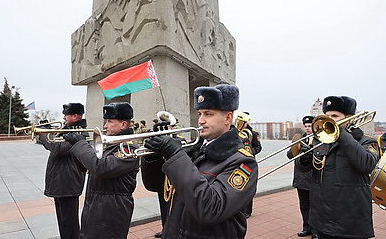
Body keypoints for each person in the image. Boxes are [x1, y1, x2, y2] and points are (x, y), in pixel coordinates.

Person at [142, 84, 258, 238]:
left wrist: (175, 155)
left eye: (208, 114)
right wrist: (154, 156)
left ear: (228, 118)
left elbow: (211, 210)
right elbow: (155, 185)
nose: (201, 121)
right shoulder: (191, 151)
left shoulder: (242, 161)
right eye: (200, 113)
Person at [297, 96, 380, 238]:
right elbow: (305, 169)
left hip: (350, 220)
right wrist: (303, 160)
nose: (330, 119)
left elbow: (367, 164)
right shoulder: (320, 141)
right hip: (321, 219)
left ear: (349, 118)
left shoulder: (367, 141)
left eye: (335, 116)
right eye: (327, 116)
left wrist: (341, 133)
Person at [63, 102, 139, 238]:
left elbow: (101, 168)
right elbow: (88, 167)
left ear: (123, 125)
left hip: (112, 209)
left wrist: (80, 144)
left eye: (110, 121)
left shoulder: (128, 148)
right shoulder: (111, 144)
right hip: (97, 205)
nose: (105, 126)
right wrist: (75, 147)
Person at [38, 103, 87, 239]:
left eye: (66, 114)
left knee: (69, 223)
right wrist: (46, 132)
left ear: (75, 116)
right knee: (63, 221)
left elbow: (58, 149)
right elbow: (51, 145)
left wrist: (43, 133)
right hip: (61, 181)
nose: (63, 117)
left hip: (68, 182)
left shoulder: (79, 131)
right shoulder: (67, 128)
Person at [287, 116, 317, 238]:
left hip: (314, 179)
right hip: (301, 178)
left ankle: (316, 231)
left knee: (315, 207)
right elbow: (289, 155)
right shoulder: (300, 139)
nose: (308, 128)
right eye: (306, 126)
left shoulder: (321, 139)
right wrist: (297, 147)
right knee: (304, 206)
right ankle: (306, 227)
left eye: (310, 126)